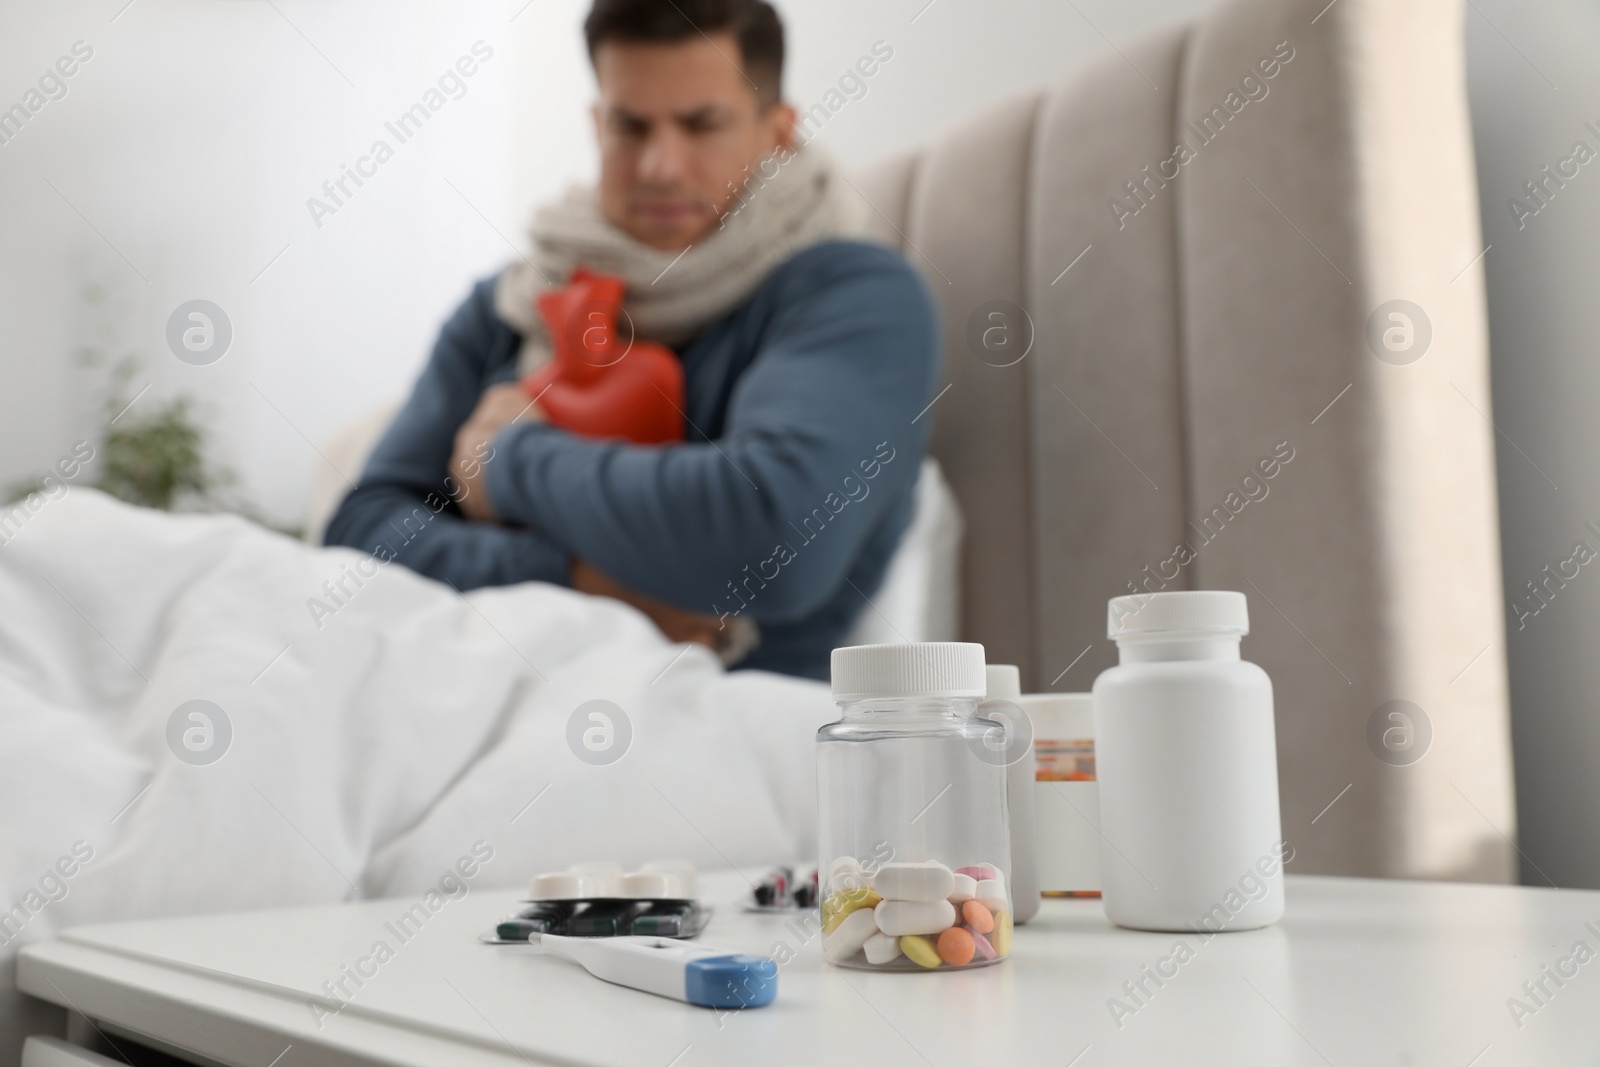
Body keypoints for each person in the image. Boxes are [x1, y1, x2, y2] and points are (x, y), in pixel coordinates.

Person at [324, 0, 940, 680]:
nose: (659, 165)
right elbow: (361, 534)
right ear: (597, 124)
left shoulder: (850, 294)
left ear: (779, 132)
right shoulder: (511, 303)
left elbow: (775, 538)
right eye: (630, 126)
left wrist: (508, 461)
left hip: (722, 734)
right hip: (464, 695)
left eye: (701, 124)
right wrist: (582, 581)